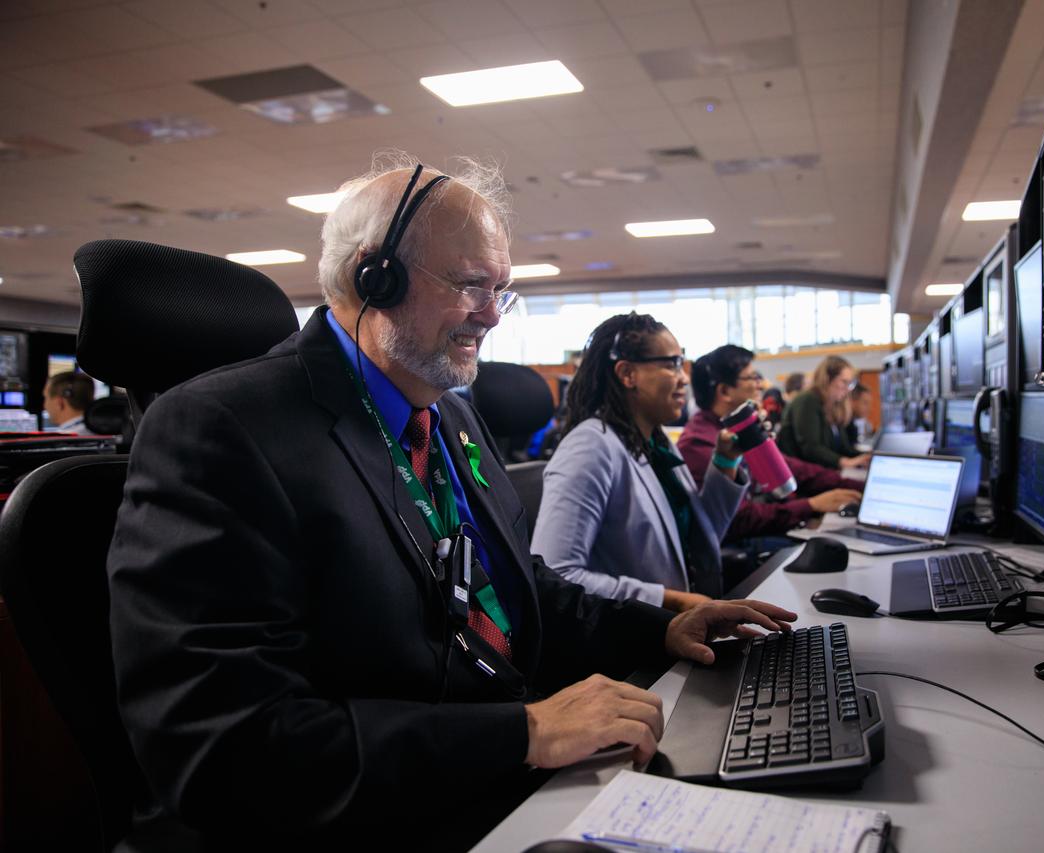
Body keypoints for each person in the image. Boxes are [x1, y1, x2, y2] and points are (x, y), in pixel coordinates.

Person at [106, 154, 795, 849]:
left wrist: (659, 625)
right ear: (373, 275)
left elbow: (514, 594)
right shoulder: (220, 430)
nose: (492, 316)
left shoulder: (451, 416)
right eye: (471, 285)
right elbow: (226, 745)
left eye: (502, 288)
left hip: (494, 786)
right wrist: (521, 733)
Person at [532, 312, 749, 612]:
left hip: (678, 630)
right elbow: (557, 574)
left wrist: (726, 458)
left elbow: (699, 541)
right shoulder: (590, 446)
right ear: (627, 374)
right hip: (633, 644)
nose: (684, 377)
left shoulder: (656, 442)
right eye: (672, 364)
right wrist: (667, 600)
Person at [680, 345, 863, 543]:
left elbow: (793, 468)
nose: (761, 385)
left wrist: (858, 485)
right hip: (745, 544)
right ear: (724, 391)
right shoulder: (700, 444)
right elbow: (739, 519)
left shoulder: (738, 427)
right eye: (752, 377)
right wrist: (811, 505)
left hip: (767, 524)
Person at [776, 356, 872, 470]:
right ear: (827, 379)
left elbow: (843, 448)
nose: (847, 389)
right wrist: (844, 462)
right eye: (844, 382)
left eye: (850, 384)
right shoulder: (807, 400)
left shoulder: (833, 406)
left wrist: (865, 457)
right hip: (805, 475)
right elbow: (811, 448)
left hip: (822, 471)